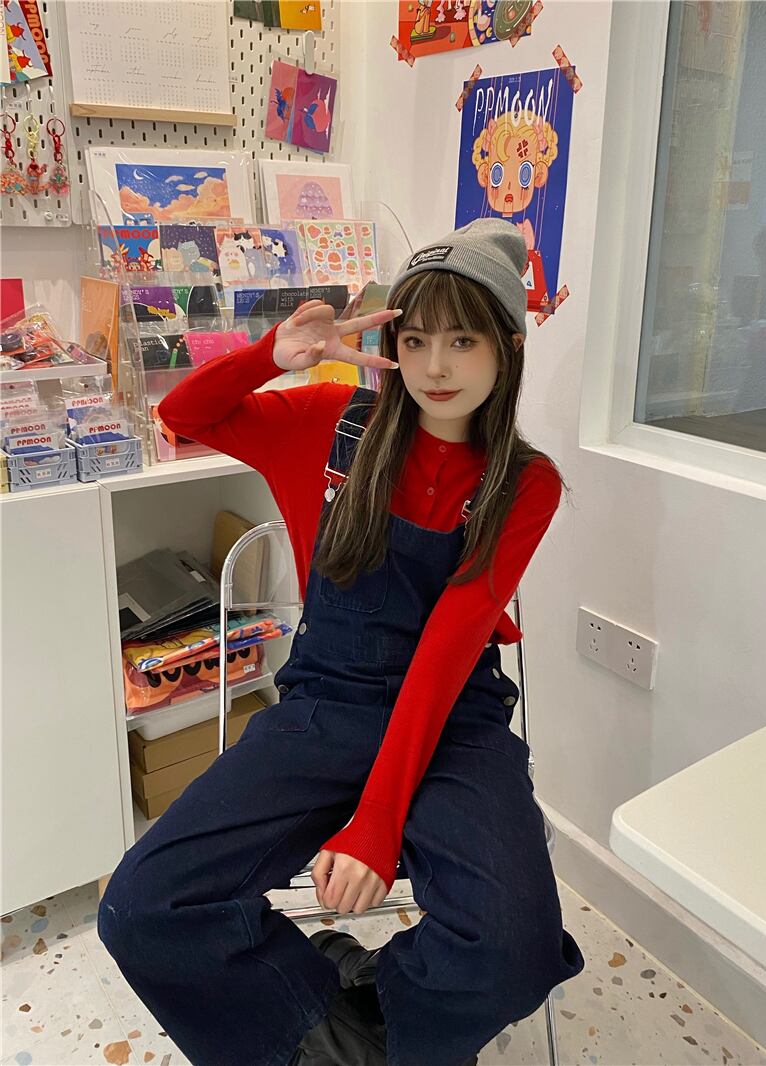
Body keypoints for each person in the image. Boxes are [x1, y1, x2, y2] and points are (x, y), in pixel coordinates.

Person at [96, 217, 585, 1066]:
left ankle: (352, 1009)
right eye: (416, 338)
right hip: (327, 704)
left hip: (453, 716)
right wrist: (270, 356)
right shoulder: (328, 422)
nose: (435, 367)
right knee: (141, 906)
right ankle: (336, 1025)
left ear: (507, 350)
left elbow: (447, 650)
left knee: (514, 948)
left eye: (463, 341)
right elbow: (182, 414)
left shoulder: (524, 482)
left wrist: (375, 825)